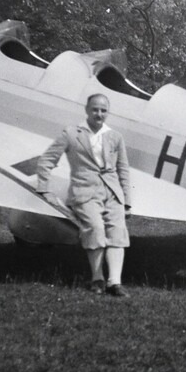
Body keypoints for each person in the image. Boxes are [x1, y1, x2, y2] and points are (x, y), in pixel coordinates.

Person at [34, 93, 133, 296]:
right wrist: (44, 188)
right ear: (87, 110)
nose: (99, 114)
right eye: (95, 109)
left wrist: (127, 202)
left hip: (112, 193)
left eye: (103, 110)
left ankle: (115, 282)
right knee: (95, 229)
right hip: (85, 193)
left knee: (117, 232)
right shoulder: (71, 133)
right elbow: (46, 160)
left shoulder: (115, 136)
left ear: (108, 112)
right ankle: (97, 278)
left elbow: (123, 169)